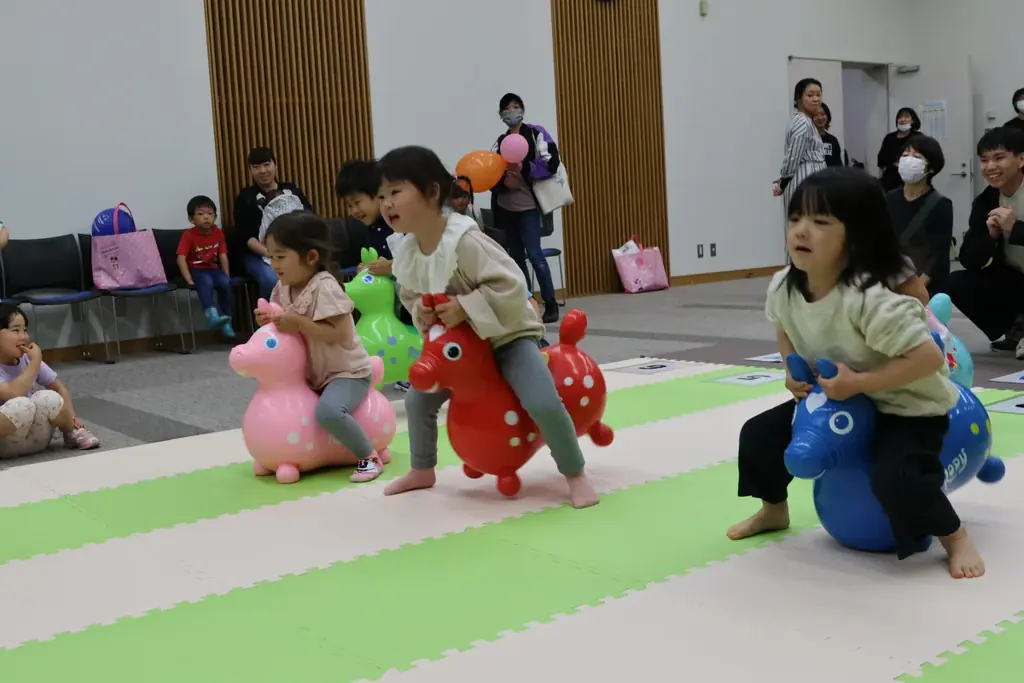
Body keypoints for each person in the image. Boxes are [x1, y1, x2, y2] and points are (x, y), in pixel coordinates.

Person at [727, 167, 984, 580]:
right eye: (796, 219)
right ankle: (773, 509)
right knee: (759, 435)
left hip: (904, 403)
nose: (802, 231)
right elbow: (784, 326)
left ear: (857, 235)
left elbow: (927, 359)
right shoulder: (784, 285)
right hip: (834, 398)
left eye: (821, 222)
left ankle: (954, 535)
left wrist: (860, 383)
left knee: (899, 474)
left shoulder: (872, 300)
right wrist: (792, 371)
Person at [376, 145, 598, 508]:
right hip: (460, 352)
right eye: (382, 196)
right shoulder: (409, 252)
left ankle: (574, 472)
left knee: (542, 400)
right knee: (417, 399)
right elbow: (410, 296)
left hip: (506, 336)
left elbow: (511, 286)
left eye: (396, 193)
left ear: (432, 192)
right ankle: (422, 469)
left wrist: (465, 305)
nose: (386, 204)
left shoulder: (465, 240)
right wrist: (426, 313)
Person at [254, 211, 385, 482]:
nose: (273, 263)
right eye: (270, 256)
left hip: (347, 372)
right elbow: (286, 326)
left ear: (311, 257)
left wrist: (298, 323)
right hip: (314, 373)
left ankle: (369, 457)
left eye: (280, 256)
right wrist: (270, 319)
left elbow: (340, 334)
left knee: (328, 412)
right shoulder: (283, 287)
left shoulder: (324, 286)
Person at [946, 127, 1024, 358]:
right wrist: (988, 236)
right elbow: (969, 258)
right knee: (956, 282)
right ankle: (1015, 332)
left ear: (1021, 159)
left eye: (999, 158)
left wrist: (1016, 229)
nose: (990, 167)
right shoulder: (986, 201)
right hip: (1016, 280)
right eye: (984, 160)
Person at [490, 93, 561, 324]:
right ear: (501, 115)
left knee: (535, 254)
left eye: (516, 106)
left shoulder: (535, 133)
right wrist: (503, 181)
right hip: (506, 207)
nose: (512, 111)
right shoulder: (499, 142)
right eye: (507, 108)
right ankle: (527, 302)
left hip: (529, 206)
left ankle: (550, 302)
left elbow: (552, 162)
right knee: (516, 258)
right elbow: (490, 174)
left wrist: (526, 168)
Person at [0, 303, 100, 457]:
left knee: (47, 397)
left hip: (36, 440)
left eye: (25, 330)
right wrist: (35, 363)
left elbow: (59, 388)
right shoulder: (32, 362)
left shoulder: (28, 360)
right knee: (22, 404)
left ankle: (73, 433)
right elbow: (13, 392)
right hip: (3, 443)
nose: (24, 337)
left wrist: (71, 420)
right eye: (15, 330)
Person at [232, 146, 314, 300]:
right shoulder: (246, 198)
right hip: (258, 254)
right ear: (250, 170)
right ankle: (273, 318)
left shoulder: (292, 190)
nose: (262, 171)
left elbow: (309, 219)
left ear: (275, 165)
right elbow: (246, 237)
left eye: (266, 164)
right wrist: (272, 254)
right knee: (273, 279)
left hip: (294, 249)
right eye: (256, 167)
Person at [886, 135, 953, 296]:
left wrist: (914, 289)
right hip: (890, 281)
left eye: (917, 156)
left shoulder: (941, 204)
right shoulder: (888, 198)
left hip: (923, 286)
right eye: (905, 154)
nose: (909, 160)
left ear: (931, 168)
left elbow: (939, 256)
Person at [176, 195, 236, 338]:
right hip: (196, 269)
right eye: (201, 214)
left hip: (213, 268)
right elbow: (181, 258)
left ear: (215, 217)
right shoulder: (188, 235)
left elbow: (223, 256)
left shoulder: (218, 232)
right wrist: (189, 279)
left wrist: (226, 275)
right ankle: (212, 315)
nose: (206, 217)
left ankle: (227, 320)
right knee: (206, 281)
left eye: (210, 214)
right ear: (192, 219)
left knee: (225, 283)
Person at [773, 79, 826, 213]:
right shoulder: (802, 121)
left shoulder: (807, 121)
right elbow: (793, 156)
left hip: (811, 183)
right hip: (804, 183)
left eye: (818, 95)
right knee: (805, 226)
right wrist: (784, 181)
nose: (816, 99)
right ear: (799, 98)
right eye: (810, 95)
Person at [336, 159, 393, 274]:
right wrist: (365, 268)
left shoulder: (398, 223)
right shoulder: (371, 229)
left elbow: (416, 261)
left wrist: (391, 267)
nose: (354, 211)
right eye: (349, 205)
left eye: (357, 202)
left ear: (378, 194)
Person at [877, 108, 922, 192]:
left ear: (913, 120)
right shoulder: (889, 138)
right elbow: (881, 161)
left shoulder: (918, 137)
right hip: (890, 180)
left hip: (911, 179)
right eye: (900, 117)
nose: (902, 119)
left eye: (906, 116)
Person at [814, 103, 843, 168]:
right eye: (816, 115)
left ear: (827, 116)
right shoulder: (808, 139)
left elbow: (838, 165)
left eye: (823, 114)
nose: (820, 118)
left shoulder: (833, 140)